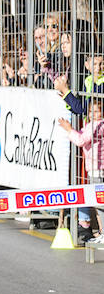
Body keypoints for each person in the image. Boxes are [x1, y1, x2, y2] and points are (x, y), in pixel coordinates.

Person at [59, 101, 104, 245]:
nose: (93, 114)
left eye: (96, 111)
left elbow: (81, 140)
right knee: (97, 203)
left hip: (98, 168)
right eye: (91, 111)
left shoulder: (99, 125)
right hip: (94, 167)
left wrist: (69, 129)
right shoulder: (91, 125)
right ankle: (101, 232)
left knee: (100, 203)